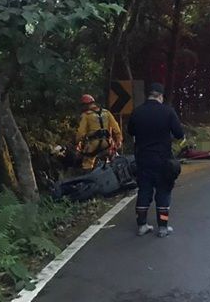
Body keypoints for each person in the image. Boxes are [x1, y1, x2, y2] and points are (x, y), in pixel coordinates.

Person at [127, 83, 185, 237]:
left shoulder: (137, 112)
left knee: (144, 191)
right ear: (160, 96)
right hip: (163, 160)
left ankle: (142, 225)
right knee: (164, 193)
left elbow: (130, 131)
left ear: (148, 95)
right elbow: (179, 133)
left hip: (143, 159)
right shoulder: (168, 112)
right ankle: (163, 227)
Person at [76, 94, 122, 171]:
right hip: (107, 143)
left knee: (87, 162)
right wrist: (118, 140)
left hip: (93, 144)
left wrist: (77, 142)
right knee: (110, 161)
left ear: (85, 105)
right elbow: (116, 128)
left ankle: (88, 175)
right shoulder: (106, 112)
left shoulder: (86, 115)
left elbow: (80, 133)